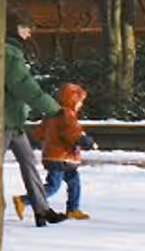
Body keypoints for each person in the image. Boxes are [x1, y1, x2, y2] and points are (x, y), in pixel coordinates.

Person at [0, 9, 67, 228]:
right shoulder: (9, 53)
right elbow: (23, 86)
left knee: (27, 163)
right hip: (2, 120)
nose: (29, 33)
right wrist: (52, 108)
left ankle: (41, 210)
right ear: (14, 29)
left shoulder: (5, 51)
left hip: (11, 120)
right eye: (25, 28)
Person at [29, 81, 97, 222]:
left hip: (56, 156)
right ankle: (25, 200)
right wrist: (87, 142)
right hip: (60, 157)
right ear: (72, 100)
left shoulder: (52, 113)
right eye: (79, 102)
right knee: (53, 186)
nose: (81, 105)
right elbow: (72, 133)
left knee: (74, 182)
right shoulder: (67, 114)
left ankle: (73, 209)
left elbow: (39, 133)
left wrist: (49, 139)